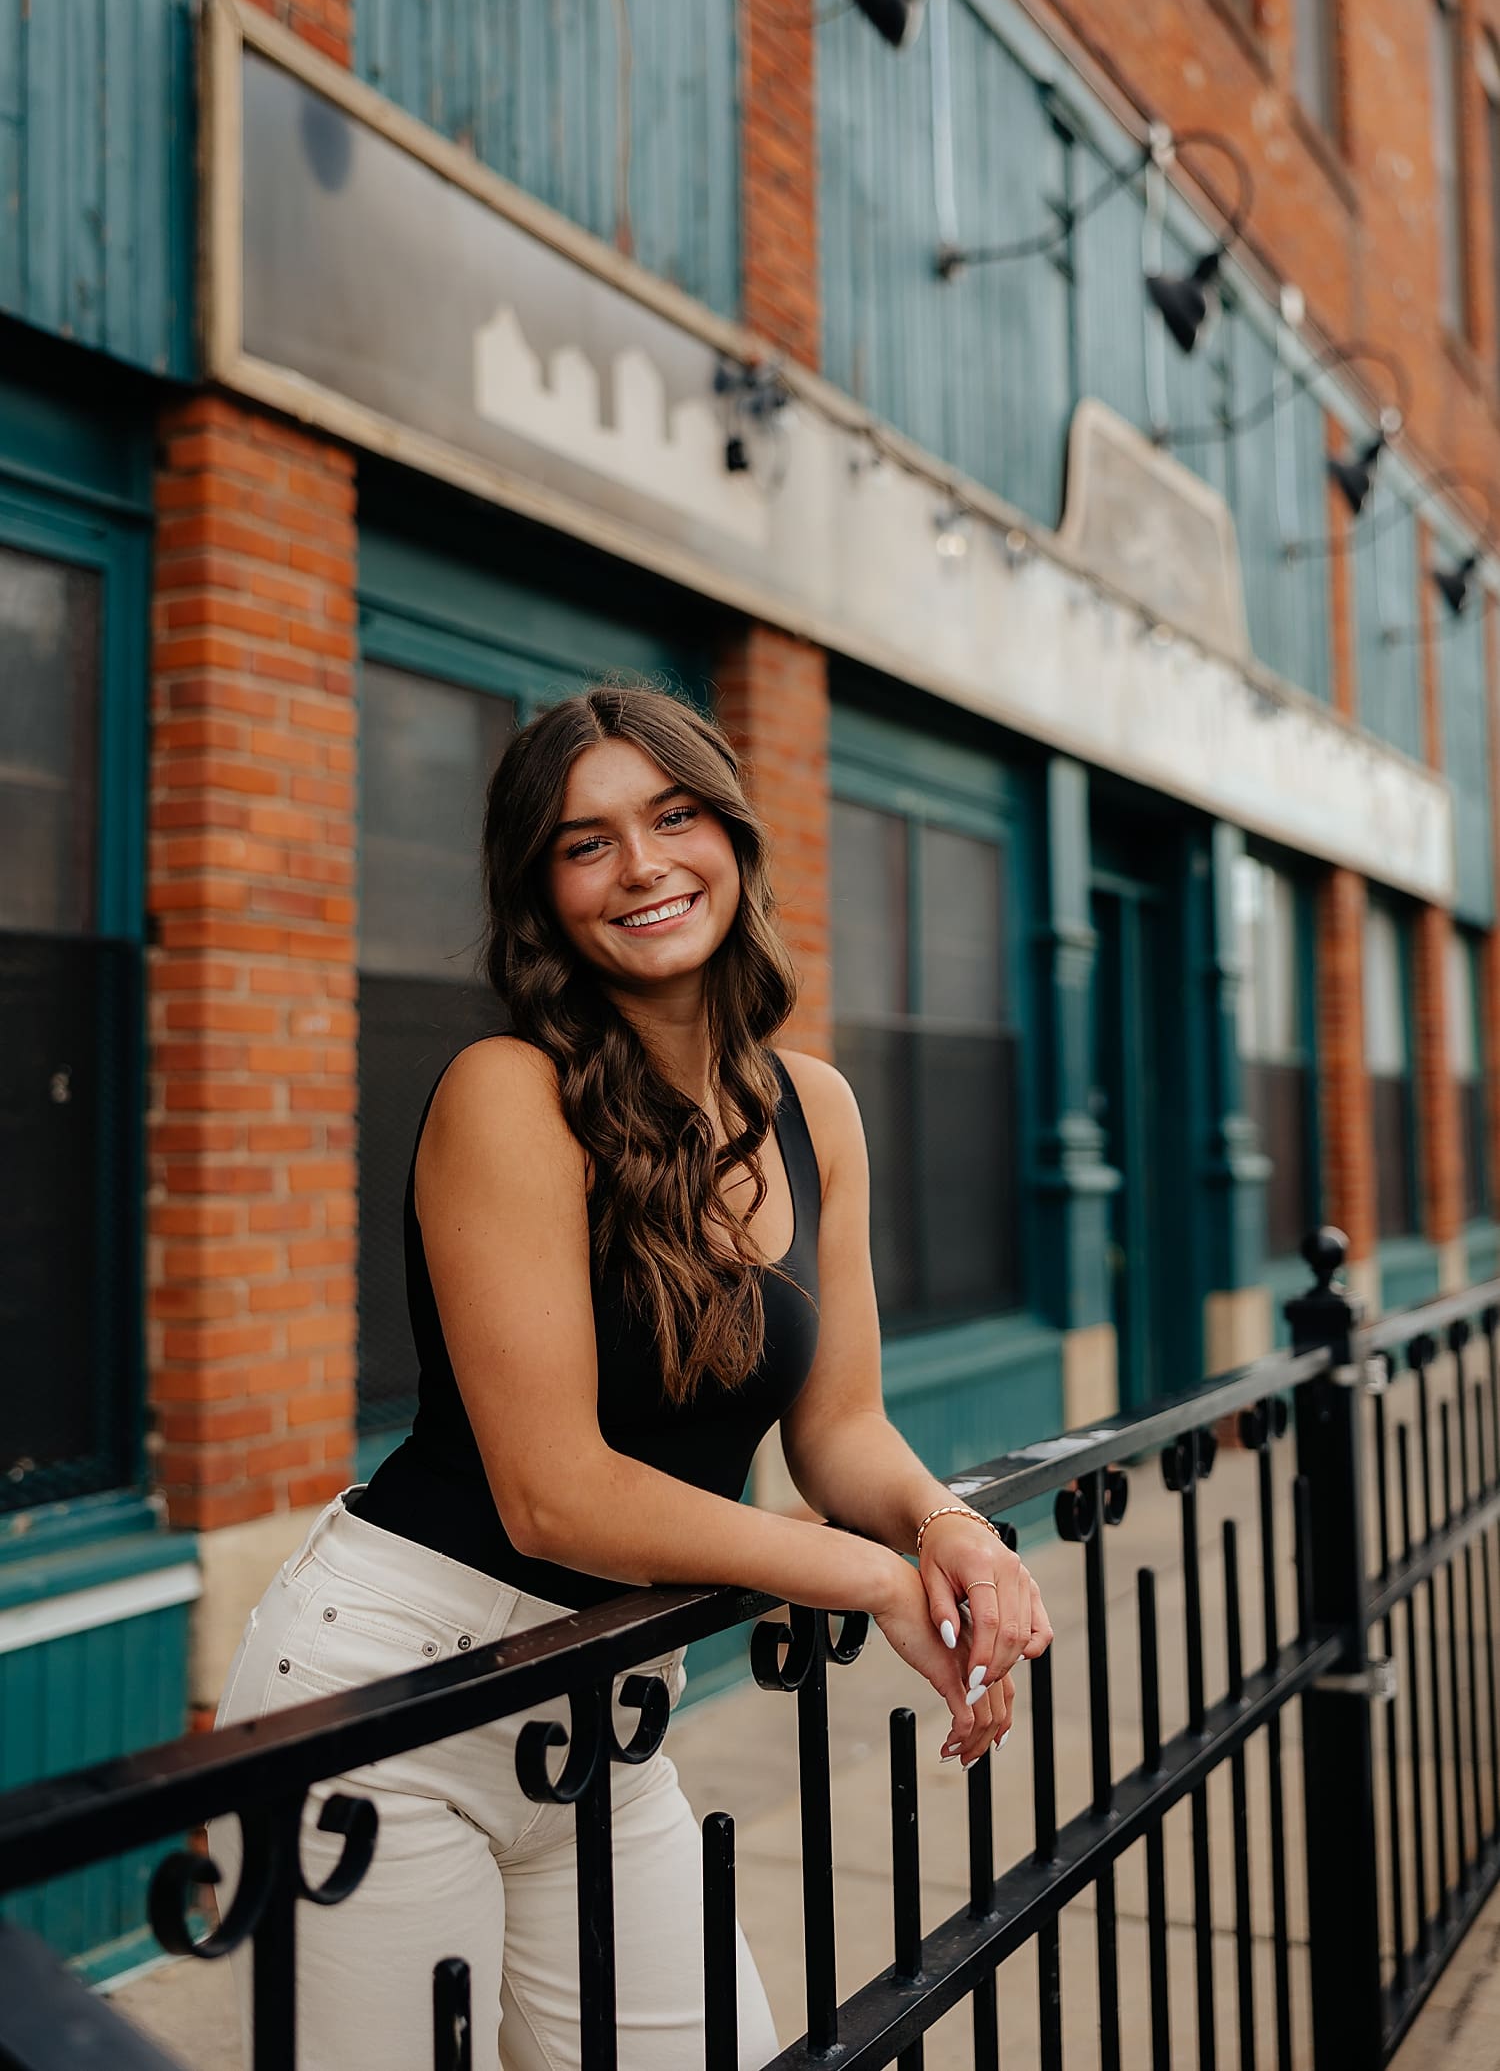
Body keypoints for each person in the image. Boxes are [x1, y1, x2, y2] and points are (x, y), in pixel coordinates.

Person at [209, 683, 1053, 2070]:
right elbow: (555, 1493)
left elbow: (839, 1424)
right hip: (389, 1708)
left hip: (601, 1716)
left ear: (732, 835)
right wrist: (860, 1573)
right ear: (541, 890)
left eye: (673, 816)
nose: (645, 864)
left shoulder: (812, 1107)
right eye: (587, 841)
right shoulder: (508, 1091)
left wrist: (942, 1524)